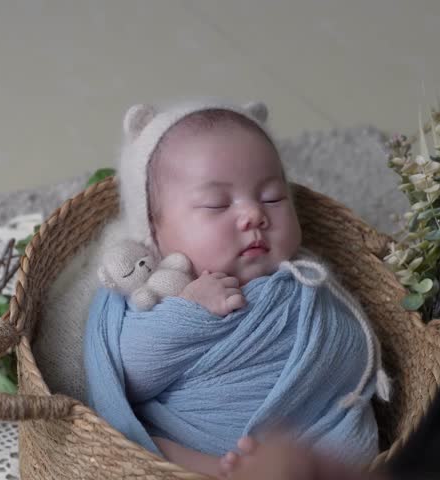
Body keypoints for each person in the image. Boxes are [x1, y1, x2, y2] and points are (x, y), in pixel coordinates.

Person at [83, 98, 390, 479]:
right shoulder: (159, 292)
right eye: (216, 204)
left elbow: (345, 360)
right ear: (155, 233)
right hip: (189, 443)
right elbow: (129, 375)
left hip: (302, 448)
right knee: (136, 440)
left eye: (272, 197)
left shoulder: (305, 281)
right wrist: (189, 312)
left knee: (351, 431)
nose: (254, 215)